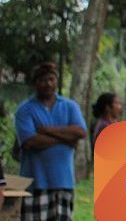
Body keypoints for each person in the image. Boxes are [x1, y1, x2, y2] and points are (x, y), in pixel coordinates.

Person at [14, 62, 87, 221]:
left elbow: (81, 132)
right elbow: (31, 142)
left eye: (51, 79)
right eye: (42, 80)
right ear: (35, 84)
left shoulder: (70, 106)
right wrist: (67, 140)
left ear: (56, 81)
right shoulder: (25, 110)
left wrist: (47, 130)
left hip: (64, 182)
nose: (47, 83)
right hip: (36, 183)